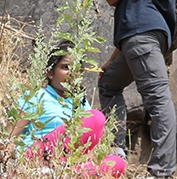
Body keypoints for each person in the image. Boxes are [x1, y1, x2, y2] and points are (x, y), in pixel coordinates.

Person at [98, 0, 177, 178]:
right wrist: (112, 59)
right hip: (150, 36)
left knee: (158, 100)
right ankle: (115, 150)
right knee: (108, 83)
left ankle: (162, 171)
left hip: (140, 35)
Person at [13, 41, 125, 177]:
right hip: (37, 156)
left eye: (76, 68)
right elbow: (9, 134)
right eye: (65, 67)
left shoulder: (80, 102)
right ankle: (51, 171)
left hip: (68, 162)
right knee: (95, 118)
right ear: (50, 73)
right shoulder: (36, 96)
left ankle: (63, 173)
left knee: (117, 163)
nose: (72, 73)